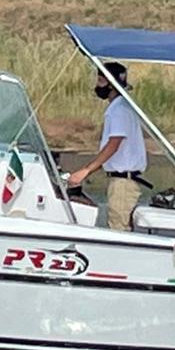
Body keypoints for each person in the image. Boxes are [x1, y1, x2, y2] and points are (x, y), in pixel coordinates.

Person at [65, 61, 149, 230]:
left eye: (101, 81)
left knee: (119, 228)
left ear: (111, 84)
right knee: (118, 225)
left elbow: (113, 144)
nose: (97, 85)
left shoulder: (119, 110)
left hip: (123, 182)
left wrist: (86, 171)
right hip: (121, 180)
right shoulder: (121, 107)